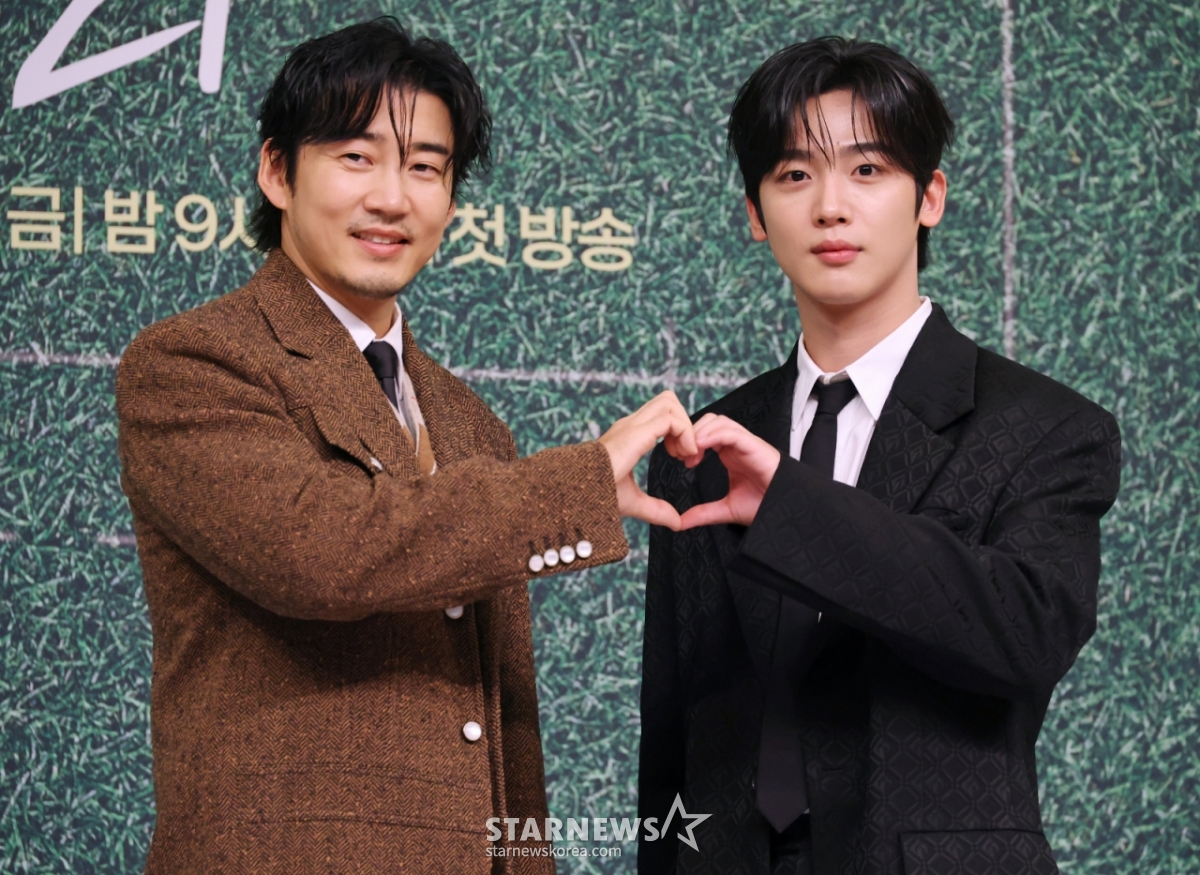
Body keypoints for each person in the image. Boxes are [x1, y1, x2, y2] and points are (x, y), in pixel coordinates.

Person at [116, 18, 695, 875]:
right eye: (357, 157)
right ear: (277, 172)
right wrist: (582, 480)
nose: (392, 197)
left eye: (426, 167)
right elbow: (323, 550)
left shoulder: (471, 421)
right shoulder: (192, 363)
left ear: (452, 199)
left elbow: (503, 721)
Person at [638, 38, 1120, 875]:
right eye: (795, 174)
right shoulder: (705, 442)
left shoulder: (1045, 427)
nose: (831, 206)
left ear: (929, 196)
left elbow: (1025, 634)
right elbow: (673, 728)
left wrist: (788, 507)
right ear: (755, 214)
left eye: (867, 170)